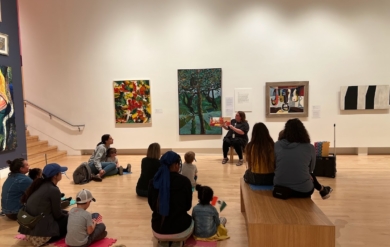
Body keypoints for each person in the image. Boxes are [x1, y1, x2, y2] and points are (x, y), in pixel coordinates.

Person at [274, 119, 333, 199]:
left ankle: (323, 190)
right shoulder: (309, 148)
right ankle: (322, 190)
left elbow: (274, 165)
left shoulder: (277, 145)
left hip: (280, 188)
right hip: (303, 191)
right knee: (309, 174)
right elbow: (310, 169)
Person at [148, 151, 193, 247]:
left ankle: (163, 241)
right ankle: (177, 241)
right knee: (192, 220)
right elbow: (188, 206)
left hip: (158, 230)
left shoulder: (153, 182)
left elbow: (152, 206)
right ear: (176, 165)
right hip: (181, 230)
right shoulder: (185, 181)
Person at [18, 163, 69, 246]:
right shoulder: (53, 190)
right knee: (71, 219)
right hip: (42, 236)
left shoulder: (38, 185)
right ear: (55, 176)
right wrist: (68, 214)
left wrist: (65, 212)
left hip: (30, 233)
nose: (61, 174)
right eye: (60, 173)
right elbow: (58, 215)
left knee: (67, 214)